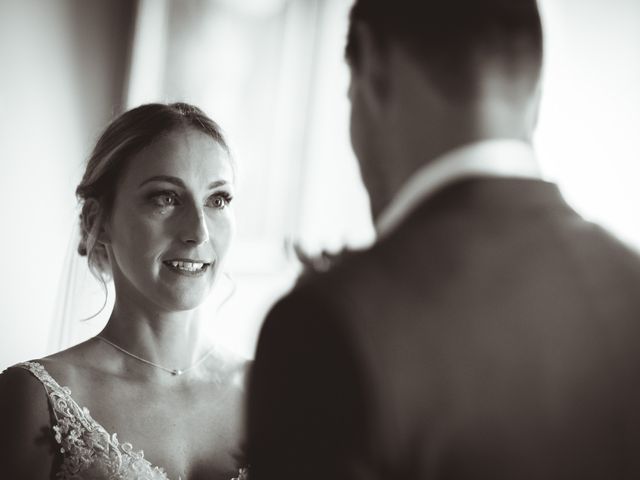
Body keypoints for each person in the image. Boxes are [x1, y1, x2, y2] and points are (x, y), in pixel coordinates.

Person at [247, 1, 640, 479]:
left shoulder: (325, 324)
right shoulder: (629, 282)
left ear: (372, 63)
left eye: (348, 95)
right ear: (533, 91)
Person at [0, 103, 248, 480]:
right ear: (97, 221)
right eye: (165, 197)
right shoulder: (37, 399)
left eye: (218, 200)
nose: (199, 232)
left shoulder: (275, 390)